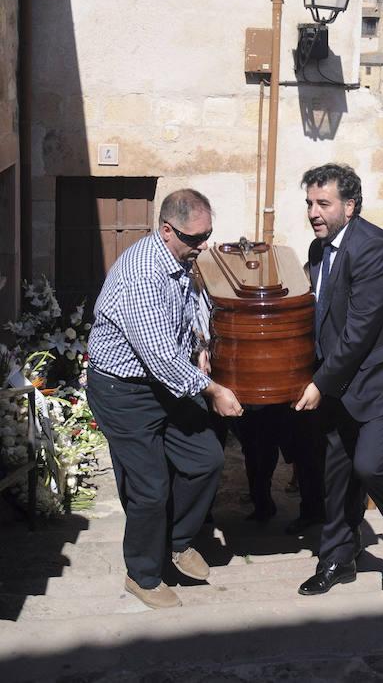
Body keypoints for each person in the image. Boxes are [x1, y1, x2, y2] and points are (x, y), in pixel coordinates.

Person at [86, 189, 243, 610]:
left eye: (208, 234)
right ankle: (142, 574)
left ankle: (175, 541)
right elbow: (159, 356)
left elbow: (190, 307)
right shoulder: (144, 274)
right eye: (196, 238)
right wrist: (213, 390)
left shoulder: (179, 258)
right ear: (167, 230)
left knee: (205, 460)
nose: (203, 245)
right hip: (123, 391)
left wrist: (202, 344)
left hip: (161, 384)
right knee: (150, 487)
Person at [295, 164, 383, 596]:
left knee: (371, 464)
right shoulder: (319, 250)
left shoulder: (374, 250)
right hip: (345, 378)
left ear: (350, 206)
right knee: (337, 471)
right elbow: (323, 318)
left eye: (324, 204)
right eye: (309, 204)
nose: (314, 213)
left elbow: (359, 329)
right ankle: (338, 556)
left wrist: (319, 382)